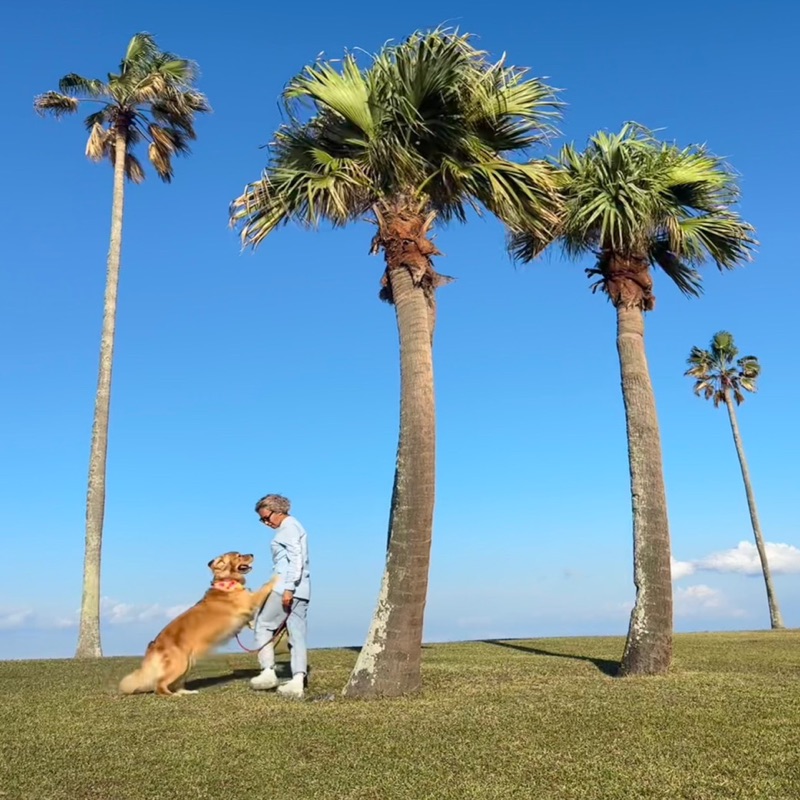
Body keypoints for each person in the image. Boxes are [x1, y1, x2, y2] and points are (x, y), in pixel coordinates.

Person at [250, 493, 310, 698]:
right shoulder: (295, 526)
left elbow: (296, 560)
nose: (266, 523)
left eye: (267, 517)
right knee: (297, 634)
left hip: (285, 587)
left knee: (263, 626)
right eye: (262, 520)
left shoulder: (288, 528)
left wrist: (288, 588)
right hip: (302, 589)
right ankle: (298, 680)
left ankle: (268, 672)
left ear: (279, 510)